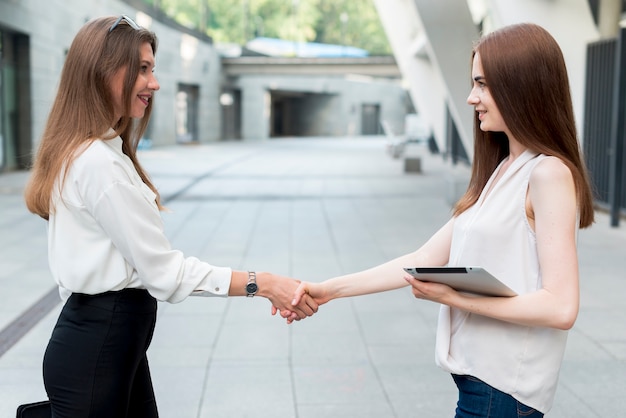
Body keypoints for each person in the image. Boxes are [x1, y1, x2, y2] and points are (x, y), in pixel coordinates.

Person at [288, 23, 595, 417]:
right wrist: (329, 290)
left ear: (520, 85)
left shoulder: (547, 173)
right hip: (481, 385)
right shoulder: (504, 169)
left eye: (483, 84)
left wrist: (454, 296)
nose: (471, 98)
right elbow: (421, 257)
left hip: (502, 391)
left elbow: (561, 307)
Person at [23, 15, 318, 418]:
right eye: (142, 69)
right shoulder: (96, 163)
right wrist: (262, 283)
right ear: (103, 72)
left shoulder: (101, 152)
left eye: (153, 69)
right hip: (98, 351)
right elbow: (164, 273)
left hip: (111, 347)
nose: (154, 83)